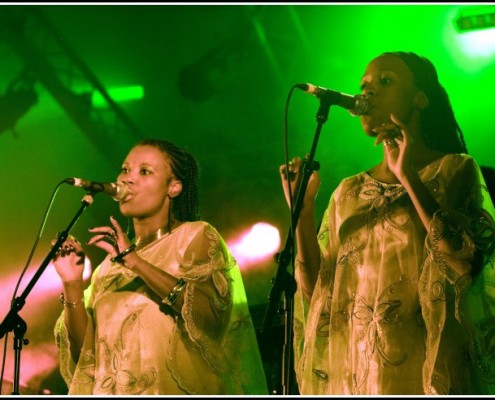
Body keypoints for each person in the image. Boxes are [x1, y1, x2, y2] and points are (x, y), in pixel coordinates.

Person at [280, 51, 495, 395]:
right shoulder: (346, 192)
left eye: (385, 81)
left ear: (420, 98)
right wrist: (303, 212)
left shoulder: (454, 169)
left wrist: (406, 175)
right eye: (364, 85)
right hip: (356, 372)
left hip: (421, 368)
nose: (368, 92)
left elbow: (462, 261)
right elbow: (317, 294)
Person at [52, 138, 268, 395]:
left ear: (174, 187)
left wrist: (134, 261)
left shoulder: (195, 236)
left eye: (144, 171)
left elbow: (209, 319)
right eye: (125, 169)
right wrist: (72, 283)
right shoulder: (107, 269)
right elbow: (84, 360)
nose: (127, 179)